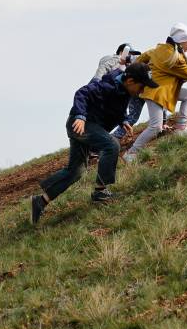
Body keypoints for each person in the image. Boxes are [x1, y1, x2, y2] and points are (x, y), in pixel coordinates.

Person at [30, 62, 158, 224]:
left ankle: (40, 201)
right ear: (130, 81)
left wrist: (123, 120)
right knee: (111, 145)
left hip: (88, 127)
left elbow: (117, 109)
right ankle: (100, 191)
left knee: (76, 171)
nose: (143, 91)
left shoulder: (124, 90)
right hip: (81, 124)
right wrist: (80, 116)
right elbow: (82, 93)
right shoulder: (107, 86)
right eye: (142, 86)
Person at [123, 23, 187, 162]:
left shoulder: (159, 49)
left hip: (160, 90)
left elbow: (142, 58)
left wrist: (140, 70)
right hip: (156, 93)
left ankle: (181, 127)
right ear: (181, 42)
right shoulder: (176, 59)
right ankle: (131, 153)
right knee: (155, 127)